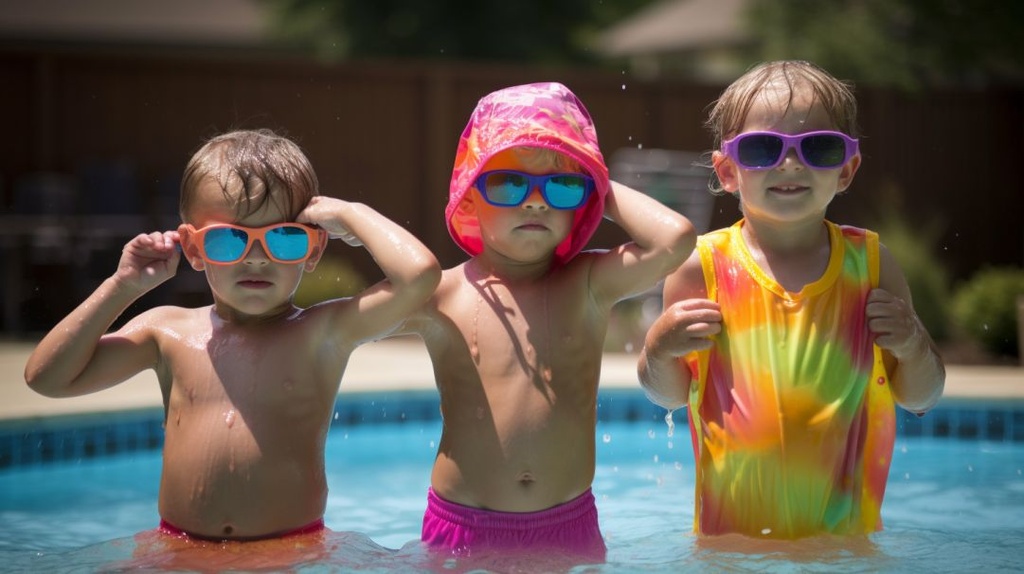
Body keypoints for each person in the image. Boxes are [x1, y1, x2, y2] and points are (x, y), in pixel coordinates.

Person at [23, 129, 441, 543]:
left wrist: (350, 214)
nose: (257, 258)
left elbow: (418, 277)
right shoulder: (166, 332)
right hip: (179, 550)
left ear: (313, 250)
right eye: (227, 240)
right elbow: (48, 378)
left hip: (287, 552)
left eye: (284, 237)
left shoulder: (322, 334)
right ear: (192, 249)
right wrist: (123, 287)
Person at [636, 61, 945, 539]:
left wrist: (915, 346)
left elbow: (921, 396)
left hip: (843, 547)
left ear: (846, 170)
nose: (790, 164)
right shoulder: (704, 267)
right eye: (762, 149)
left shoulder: (870, 266)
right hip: (729, 548)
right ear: (728, 171)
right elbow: (670, 396)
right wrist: (658, 348)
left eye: (819, 148)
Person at [394, 82, 696, 562]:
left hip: (568, 524)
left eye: (561, 187)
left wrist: (594, 177)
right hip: (462, 527)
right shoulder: (441, 294)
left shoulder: (588, 285)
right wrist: (351, 214)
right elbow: (342, 323)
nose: (536, 202)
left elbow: (674, 240)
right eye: (509, 183)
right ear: (469, 196)